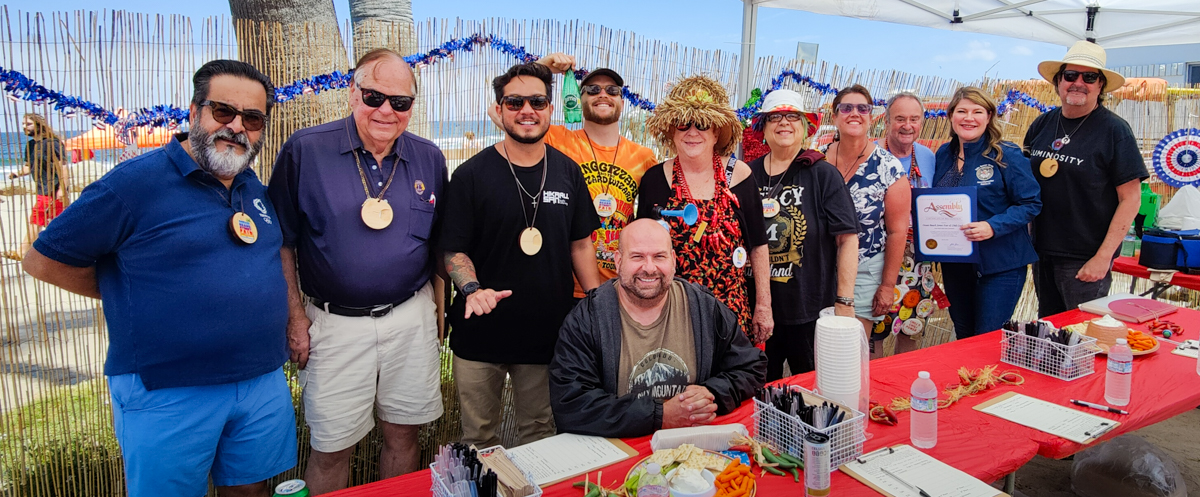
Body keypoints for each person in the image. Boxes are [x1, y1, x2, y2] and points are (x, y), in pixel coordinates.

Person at [22, 60, 294, 497]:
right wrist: (123, 290)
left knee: (251, 492)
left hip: (259, 379)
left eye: (253, 118)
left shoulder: (251, 186)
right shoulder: (133, 185)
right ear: (193, 112)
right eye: (223, 112)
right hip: (168, 388)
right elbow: (41, 260)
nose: (237, 127)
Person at [268, 48, 446, 493]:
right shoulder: (306, 150)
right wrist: (294, 317)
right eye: (374, 96)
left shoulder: (429, 157)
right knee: (331, 447)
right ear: (353, 93)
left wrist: (439, 312)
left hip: (410, 317)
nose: (386, 110)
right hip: (335, 323)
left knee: (405, 433)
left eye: (400, 102)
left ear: (410, 106)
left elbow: (442, 244)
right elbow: (281, 242)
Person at [439, 62, 601, 448]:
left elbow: (581, 244)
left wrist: (598, 302)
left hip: (546, 333)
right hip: (481, 333)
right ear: (498, 109)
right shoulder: (471, 175)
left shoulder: (568, 173)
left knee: (540, 434)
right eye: (514, 101)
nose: (526, 109)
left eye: (537, 101)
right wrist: (472, 288)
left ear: (550, 109)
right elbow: (453, 249)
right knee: (478, 439)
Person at [549, 219, 766, 437]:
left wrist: (712, 393)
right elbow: (570, 403)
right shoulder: (587, 319)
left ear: (673, 260)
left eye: (659, 256)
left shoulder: (704, 309)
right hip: (621, 448)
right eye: (637, 257)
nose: (649, 268)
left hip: (692, 448)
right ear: (618, 261)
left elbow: (752, 367)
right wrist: (659, 415)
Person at [492, 53, 657, 298]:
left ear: (622, 101)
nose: (603, 94)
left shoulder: (643, 156)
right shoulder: (558, 140)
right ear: (579, 99)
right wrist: (542, 68)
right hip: (566, 284)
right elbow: (503, 110)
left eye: (612, 90)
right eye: (592, 89)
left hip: (622, 285)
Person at [636, 76, 772, 344]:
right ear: (672, 131)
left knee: (730, 383)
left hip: (730, 311)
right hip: (671, 313)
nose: (692, 132)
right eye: (683, 124)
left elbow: (758, 245)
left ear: (716, 132)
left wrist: (763, 307)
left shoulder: (738, 175)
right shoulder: (654, 179)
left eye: (702, 124)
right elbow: (643, 248)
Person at [1023, 40, 1146, 316]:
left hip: (1085, 258)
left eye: (1089, 77)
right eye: (1070, 75)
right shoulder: (1042, 124)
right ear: (1058, 81)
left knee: (1083, 341)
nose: (1078, 82)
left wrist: (1103, 258)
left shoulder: (1115, 130)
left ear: (1100, 85)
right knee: (1051, 335)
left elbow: (1131, 199)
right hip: (1042, 252)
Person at [746, 89, 859, 380]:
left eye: (792, 116)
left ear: (805, 126)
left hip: (809, 310)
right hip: (757, 308)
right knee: (758, 389)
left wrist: (844, 302)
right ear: (763, 128)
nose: (784, 123)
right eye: (775, 118)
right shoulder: (746, 175)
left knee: (815, 389)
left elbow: (847, 238)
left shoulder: (822, 174)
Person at [934, 87, 1041, 339]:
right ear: (951, 116)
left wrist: (993, 226)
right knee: (964, 336)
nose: (968, 118)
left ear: (989, 116)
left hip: (1000, 266)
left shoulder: (1006, 155)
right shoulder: (943, 155)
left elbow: (1031, 203)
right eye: (962, 111)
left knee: (988, 340)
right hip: (957, 265)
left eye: (977, 111)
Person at [820, 85, 911, 357]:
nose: (854, 114)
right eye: (846, 108)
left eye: (863, 108)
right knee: (821, 349)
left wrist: (886, 286)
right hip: (820, 270)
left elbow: (897, 231)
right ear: (835, 116)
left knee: (850, 352)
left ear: (872, 117)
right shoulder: (816, 160)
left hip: (864, 268)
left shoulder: (888, 167)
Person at [873, 92, 943, 354]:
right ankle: (875, 393)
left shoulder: (929, 157)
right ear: (887, 120)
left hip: (918, 258)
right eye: (900, 118)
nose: (907, 125)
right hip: (877, 256)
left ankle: (903, 391)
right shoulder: (871, 154)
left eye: (914, 119)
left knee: (911, 328)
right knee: (874, 332)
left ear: (922, 121)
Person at [6, 113, 70, 260]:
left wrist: (62, 188)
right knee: (58, 223)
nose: (24, 127)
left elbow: (63, 167)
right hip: (42, 189)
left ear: (38, 125)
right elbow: (28, 167)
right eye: (23, 124)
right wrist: (16, 174)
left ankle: (22, 251)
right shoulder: (31, 146)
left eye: (28, 124)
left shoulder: (52, 143)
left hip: (53, 189)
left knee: (37, 218)